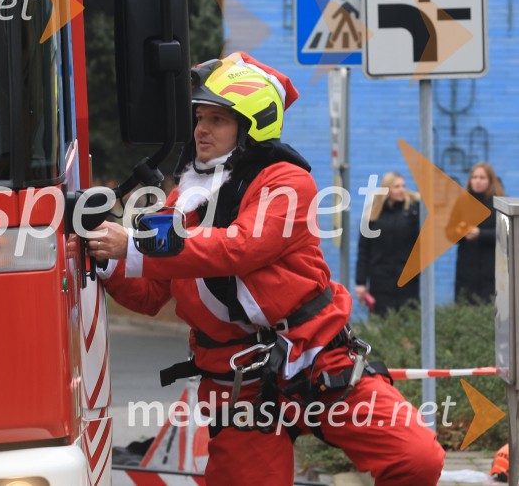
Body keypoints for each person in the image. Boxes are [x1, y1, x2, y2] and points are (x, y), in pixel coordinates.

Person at [86, 52, 444, 485]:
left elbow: (240, 247)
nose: (201, 129)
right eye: (199, 116)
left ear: (250, 126)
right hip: (239, 385)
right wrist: (106, 258)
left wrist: (136, 243)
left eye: (217, 119)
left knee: (418, 458)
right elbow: (151, 293)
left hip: (318, 358)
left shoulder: (288, 184)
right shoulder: (184, 197)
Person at [354, 172, 421, 316]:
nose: (401, 190)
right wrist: (360, 282)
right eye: (397, 186)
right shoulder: (373, 214)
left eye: (403, 186)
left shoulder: (413, 211)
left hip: (407, 281)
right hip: (380, 280)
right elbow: (364, 249)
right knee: (382, 322)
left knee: (409, 323)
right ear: (387, 189)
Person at [448, 162, 505, 304]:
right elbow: (449, 233)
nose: (477, 181)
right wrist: (461, 232)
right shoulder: (462, 202)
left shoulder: (499, 203)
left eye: (482, 177)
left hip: (492, 272)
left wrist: (480, 234)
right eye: (474, 177)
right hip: (466, 272)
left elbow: (506, 233)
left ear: (490, 181)